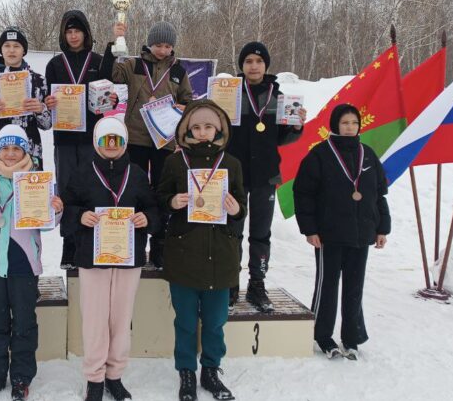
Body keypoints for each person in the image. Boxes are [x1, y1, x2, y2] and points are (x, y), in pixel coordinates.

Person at [61, 117, 160, 401]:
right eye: (107, 140)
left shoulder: (138, 174)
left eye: (117, 140)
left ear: (125, 142)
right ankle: (94, 378)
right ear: (97, 143)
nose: (112, 146)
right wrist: (79, 216)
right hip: (93, 257)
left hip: (128, 258)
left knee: (121, 318)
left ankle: (114, 375)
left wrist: (146, 218)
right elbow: (66, 208)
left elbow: (154, 208)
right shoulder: (82, 173)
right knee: (94, 319)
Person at [157, 99, 247, 401]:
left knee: (215, 321)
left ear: (219, 127)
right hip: (185, 252)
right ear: (187, 130)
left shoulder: (231, 163)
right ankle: (186, 372)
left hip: (220, 254)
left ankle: (210, 370)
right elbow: (160, 197)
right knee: (184, 320)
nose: (203, 131)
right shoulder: (175, 161)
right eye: (196, 127)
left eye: (209, 126)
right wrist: (172, 202)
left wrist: (236, 210)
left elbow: (241, 206)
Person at [0, 125, 63, 401]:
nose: (10, 154)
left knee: (24, 323)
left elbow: (45, 226)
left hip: (24, 265)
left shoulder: (36, 181)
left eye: (16, 148)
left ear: (25, 150)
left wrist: (56, 211)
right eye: (5, 148)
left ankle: (21, 377)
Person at [293, 103, 390, 360]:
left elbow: (378, 195)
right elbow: (303, 195)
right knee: (328, 287)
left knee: (354, 287)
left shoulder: (367, 154)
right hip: (329, 235)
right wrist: (310, 229)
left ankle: (352, 337)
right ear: (335, 125)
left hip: (361, 233)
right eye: (345, 123)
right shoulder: (320, 155)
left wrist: (382, 228)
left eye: (354, 123)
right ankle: (322, 335)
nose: (349, 128)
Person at [101, 21, 193, 268]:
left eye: (167, 45)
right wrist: (115, 44)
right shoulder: (134, 65)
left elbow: (189, 101)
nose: (163, 50)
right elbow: (111, 73)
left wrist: (180, 108)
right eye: (158, 44)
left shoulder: (178, 71)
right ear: (150, 43)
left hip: (164, 139)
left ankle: (161, 245)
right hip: (138, 137)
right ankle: (135, 242)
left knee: (162, 192)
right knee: (137, 190)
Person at [226, 41, 306, 311]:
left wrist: (296, 125)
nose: (253, 66)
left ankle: (257, 285)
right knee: (232, 232)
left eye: (258, 61)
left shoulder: (279, 96)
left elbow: (284, 138)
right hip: (234, 176)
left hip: (266, 175)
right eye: (248, 61)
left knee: (260, 234)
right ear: (242, 65)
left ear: (266, 65)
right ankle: (230, 284)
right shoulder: (230, 94)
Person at [44, 10, 115, 269]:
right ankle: (69, 243)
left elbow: (108, 100)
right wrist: (47, 103)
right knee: (66, 189)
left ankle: (90, 239)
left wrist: (111, 100)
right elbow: (46, 105)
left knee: (92, 188)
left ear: (86, 33)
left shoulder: (97, 61)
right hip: (64, 138)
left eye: (77, 31)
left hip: (91, 138)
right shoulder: (54, 64)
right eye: (69, 32)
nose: (73, 36)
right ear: (64, 35)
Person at [0, 26, 52, 174]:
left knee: (28, 197)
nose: (11, 50)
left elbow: (47, 124)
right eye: (7, 46)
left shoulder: (38, 81)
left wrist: (40, 110)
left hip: (30, 158)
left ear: (23, 50)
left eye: (16, 46)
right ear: (1, 50)